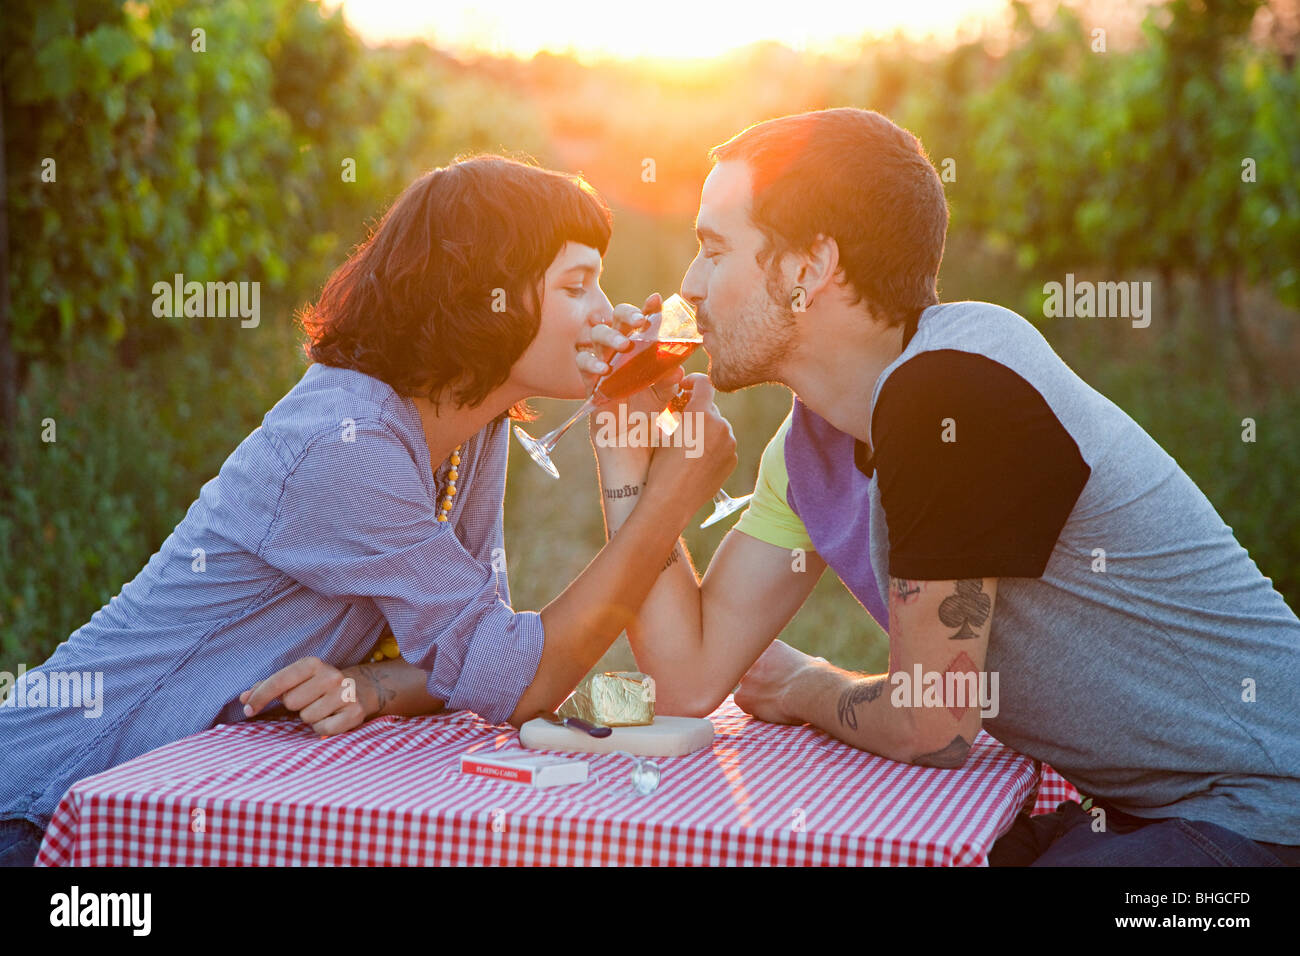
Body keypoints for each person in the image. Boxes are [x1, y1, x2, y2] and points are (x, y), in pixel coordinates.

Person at [592, 108, 1300, 865]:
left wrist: (806, 686)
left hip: (1264, 812)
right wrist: (628, 454)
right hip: (1153, 814)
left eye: (713, 249)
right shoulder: (810, 447)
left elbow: (933, 726)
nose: (689, 284)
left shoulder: (953, 390)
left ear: (808, 267)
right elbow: (686, 678)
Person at [0, 155, 736, 866]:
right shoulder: (344, 442)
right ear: (493, 295)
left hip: (169, 799)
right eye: (579, 286)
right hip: (48, 804)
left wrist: (373, 685)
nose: (609, 313)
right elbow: (522, 680)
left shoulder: (469, 425)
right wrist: (668, 498)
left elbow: (470, 659)